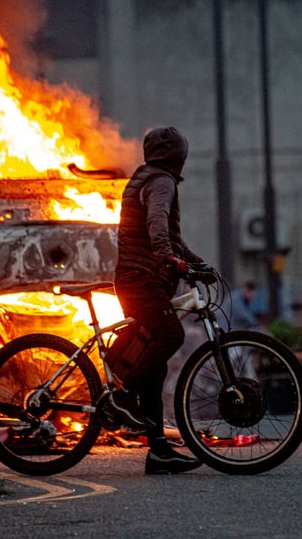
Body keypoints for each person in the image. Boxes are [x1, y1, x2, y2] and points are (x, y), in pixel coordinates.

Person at [108, 126, 206, 475]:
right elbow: (158, 224)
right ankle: (121, 399)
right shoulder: (162, 181)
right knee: (171, 336)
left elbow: (172, 239)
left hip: (141, 279)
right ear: (179, 156)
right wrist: (168, 257)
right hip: (142, 280)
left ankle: (159, 452)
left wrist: (195, 263)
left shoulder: (147, 176)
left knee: (156, 367)